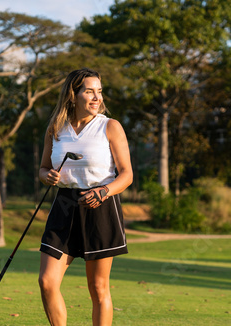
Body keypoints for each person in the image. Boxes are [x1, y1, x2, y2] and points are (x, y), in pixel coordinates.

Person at [38, 68, 133, 326]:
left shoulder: (110, 127)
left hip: (100, 205)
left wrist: (103, 191)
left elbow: (126, 175)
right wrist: (47, 176)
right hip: (64, 205)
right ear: (73, 94)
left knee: (98, 288)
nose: (96, 98)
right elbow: (43, 168)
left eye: (99, 92)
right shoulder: (56, 128)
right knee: (47, 282)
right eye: (89, 91)